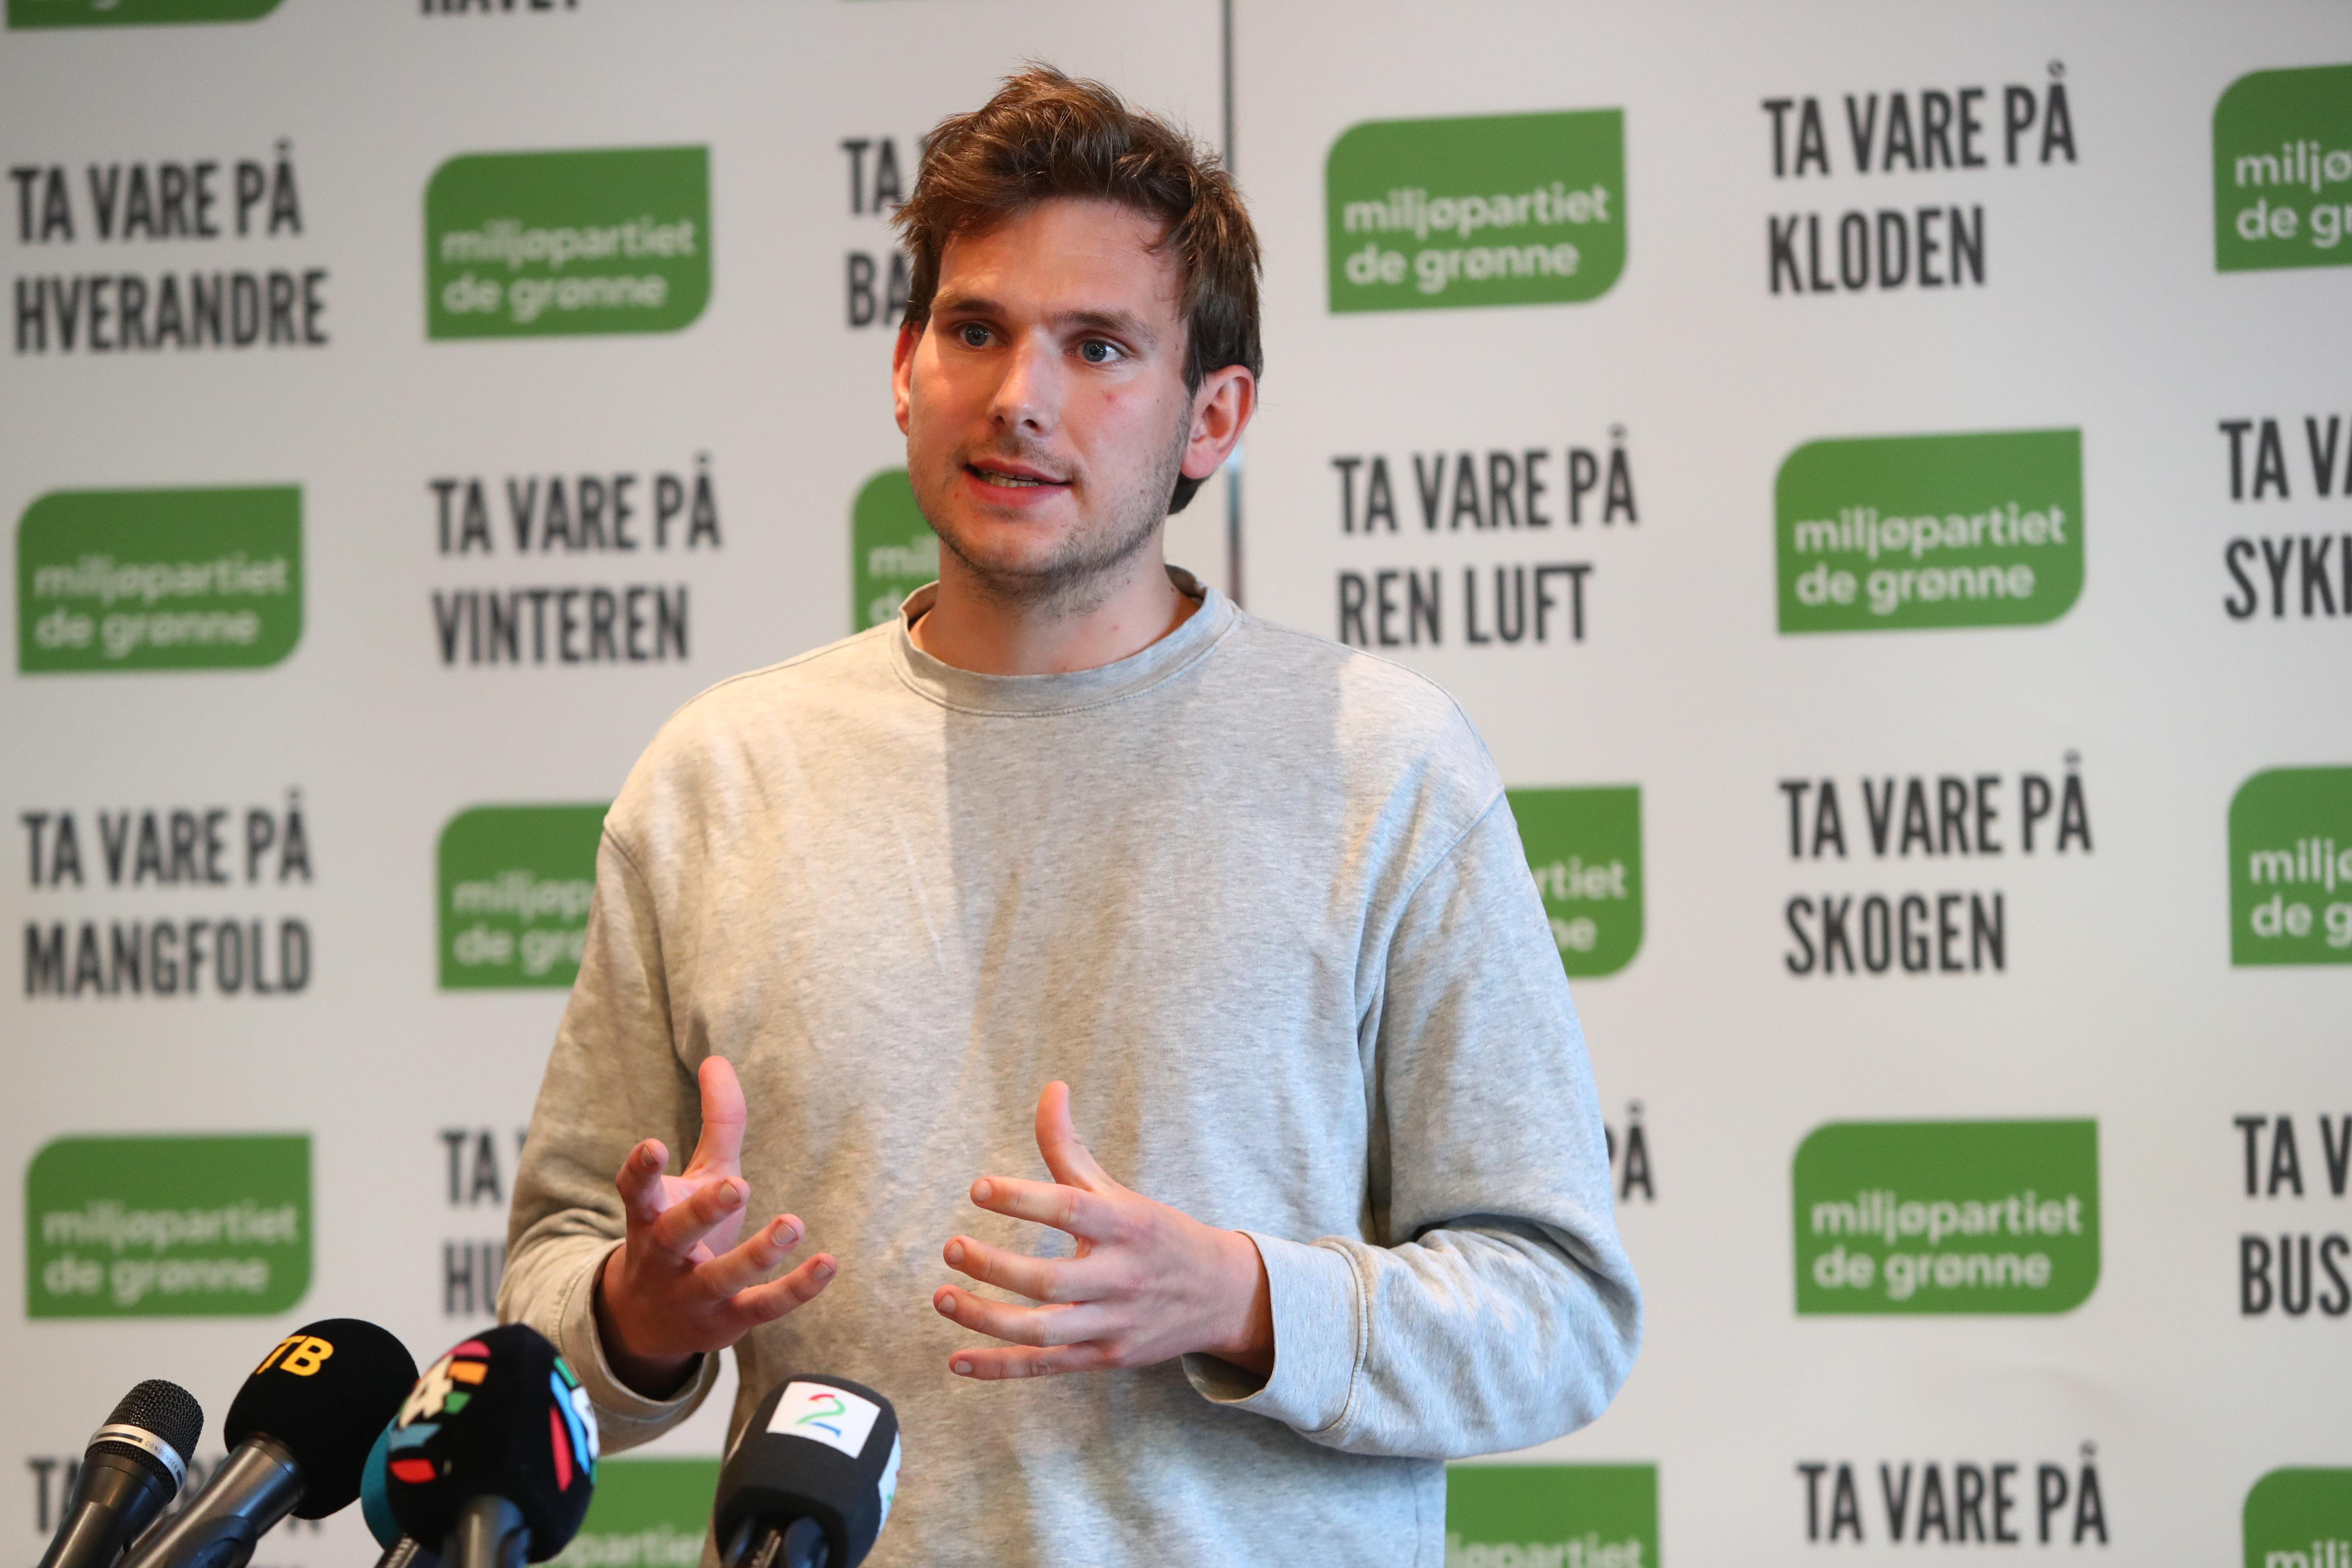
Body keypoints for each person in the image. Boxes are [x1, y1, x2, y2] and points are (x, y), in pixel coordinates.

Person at [501, 65, 1640, 1567]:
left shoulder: (1387, 766)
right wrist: (636, 1319)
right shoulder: (720, 774)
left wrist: (1239, 1297)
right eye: (975, 329)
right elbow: (548, 1296)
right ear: (905, 367)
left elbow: (1559, 1312)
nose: (1019, 395)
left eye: (1098, 346)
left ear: (1211, 418)